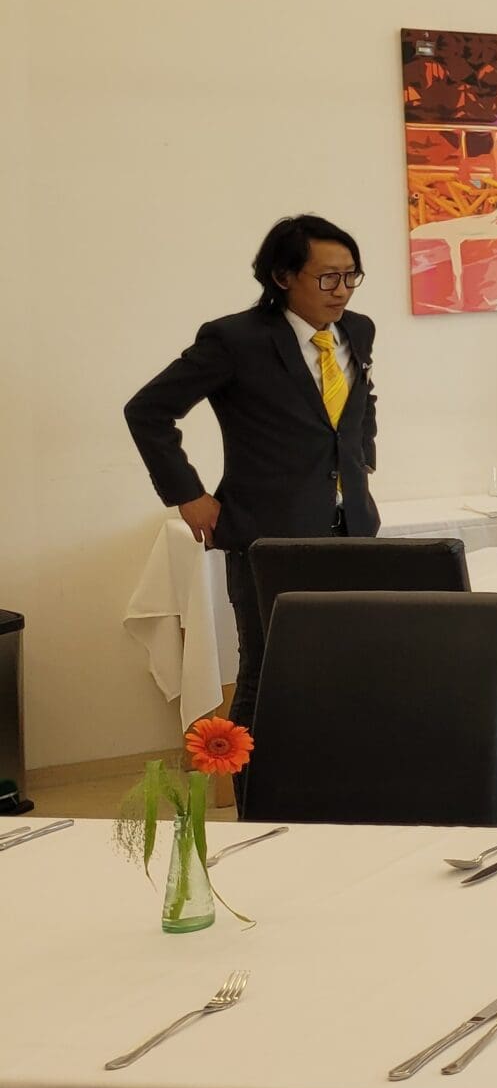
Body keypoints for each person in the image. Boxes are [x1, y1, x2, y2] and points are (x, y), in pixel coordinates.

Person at [125, 215, 382, 732]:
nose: (341, 290)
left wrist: (362, 459)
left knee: (343, 666)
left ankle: (327, 778)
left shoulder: (357, 329)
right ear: (283, 276)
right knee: (268, 672)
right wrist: (188, 494)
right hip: (268, 534)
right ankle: (251, 785)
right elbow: (148, 411)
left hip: (352, 527)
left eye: (351, 276)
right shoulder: (235, 340)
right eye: (327, 277)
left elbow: (361, 400)